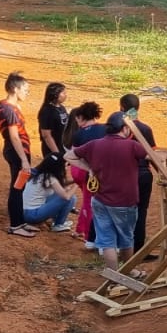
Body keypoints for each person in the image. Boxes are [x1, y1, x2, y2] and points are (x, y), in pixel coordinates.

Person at [67, 112, 148, 272]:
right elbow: (151, 156)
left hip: (100, 200)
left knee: (106, 240)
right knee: (126, 239)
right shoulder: (131, 145)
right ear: (125, 128)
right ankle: (128, 270)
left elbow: (69, 155)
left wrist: (89, 168)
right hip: (124, 202)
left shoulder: (95, 144)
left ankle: (114, 275)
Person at [0, 73, 36, 237]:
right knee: (17, 188)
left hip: (13, 150)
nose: (27, 93)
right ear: (15, 89)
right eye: (25, 89)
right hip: (18, 152)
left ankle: (20, 222)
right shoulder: (10, 110)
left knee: (19, 187)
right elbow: (14, 136)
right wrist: (24, 160)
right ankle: (16, 225)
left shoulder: (2, 105)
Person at [120, 93, 161, 255]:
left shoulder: (118, 128)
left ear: (122, 107)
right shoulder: (145, 128)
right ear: (138, 107)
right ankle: (138, 249)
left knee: (122, 210)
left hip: (123, 176)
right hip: (143, 174)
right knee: (141, 211)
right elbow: (153, 156)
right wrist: (162, 175)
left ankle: (122, 247)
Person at [64, 101, 106, 248]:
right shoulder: (105, 129)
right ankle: (89, 235)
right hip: (94, 172)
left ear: (81, 117)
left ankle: (82, 229)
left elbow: (72, 156)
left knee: (88, 201)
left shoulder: (78, 134)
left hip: (80, 170)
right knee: (91, 202)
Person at [22, 156, 77, 231]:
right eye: (65, 166)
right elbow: (66, 197)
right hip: (33, 215)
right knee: (71, 198)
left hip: (23, 212)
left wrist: (75, 181)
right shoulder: (50, 178)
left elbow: (60, 183)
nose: (66, 168)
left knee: (57, 195)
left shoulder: (40, 174)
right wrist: (77, 184)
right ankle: (58, 224)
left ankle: (56, 221)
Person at [37, 82, 69, 164]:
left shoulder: (61, 108)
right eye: (63, 93)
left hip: (62, 148)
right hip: (52, 150)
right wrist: (57, 154)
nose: (66, 95)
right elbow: (46, 135)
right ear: (55, 95)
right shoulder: (47, 111)